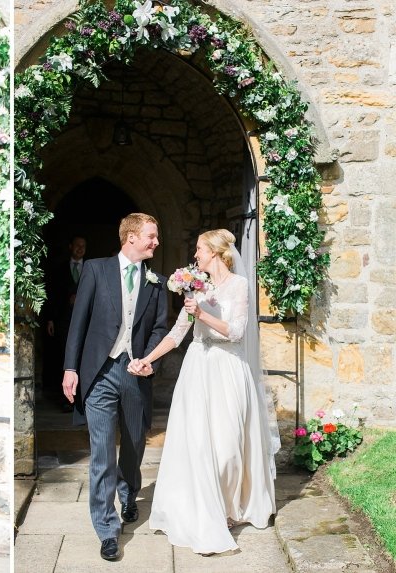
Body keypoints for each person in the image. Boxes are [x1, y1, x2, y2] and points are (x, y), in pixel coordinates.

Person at [130, 229, 280, 555]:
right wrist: (146, 359)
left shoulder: (239, 286)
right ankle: (209, 512)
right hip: (198, 369)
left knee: (227, 448)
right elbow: (177, 333)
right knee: (198, 445)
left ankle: (230, 505)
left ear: (214, 252)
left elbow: (237, 331)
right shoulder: (196, 286)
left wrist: (203, 314)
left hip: (228, 370)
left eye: (199, 249)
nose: (195, 254)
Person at [62, 213, 168, 561]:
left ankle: (130, 491)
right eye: (151, 236)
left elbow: (159, 328)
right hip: (99, 372)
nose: (156, 242)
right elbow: (79, 322)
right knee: (103, 452)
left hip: (136, 372)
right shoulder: (96, 269)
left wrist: (149, 359)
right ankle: (107, 529)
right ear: (132, 237)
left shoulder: (157, 281)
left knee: (135, 443)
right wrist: (70, 368)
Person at [42, 235, 87, 411]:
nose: (80, 248)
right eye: (77, 245)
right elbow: (51, 294)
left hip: (85, 321)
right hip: (63, 319)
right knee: (65, 358)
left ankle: (82, 400)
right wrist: (51, 318)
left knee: (84, 358)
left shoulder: (92, 267)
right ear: (70, 246)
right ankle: (67, 399)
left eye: (83, 246)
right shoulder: (59, 268)